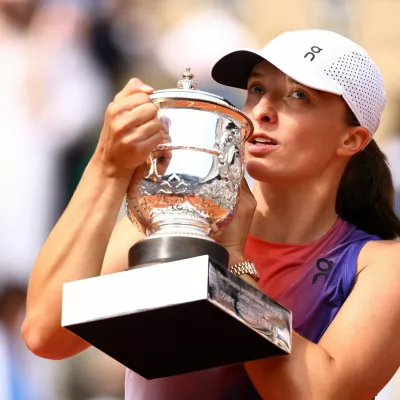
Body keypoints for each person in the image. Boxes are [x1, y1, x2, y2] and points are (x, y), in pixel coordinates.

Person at [22, 29, 400, 399]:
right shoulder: (174, 220)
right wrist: (108, 166)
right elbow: (45, 333)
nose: (264, 111)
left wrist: (234, 263)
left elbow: (312, 392)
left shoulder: (382, 266)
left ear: (352, 139)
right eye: (257, 89)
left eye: (299, 96)